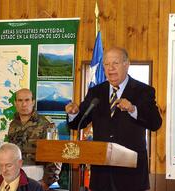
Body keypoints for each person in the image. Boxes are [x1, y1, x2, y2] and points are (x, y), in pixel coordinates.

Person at [65, 47, 162, 191]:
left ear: (126, 64)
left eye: (115, 63)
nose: (110, 68)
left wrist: (133, 109)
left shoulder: (143, 91)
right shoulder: (96, 91)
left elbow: (155, 123)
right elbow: (79, 123)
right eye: (106, 64)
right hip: (101, 175)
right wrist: (73, 113)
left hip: (131, 175)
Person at [7, 88, 61, 191]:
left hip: (39, 176)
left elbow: (55, 156)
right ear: (15, 103)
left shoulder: (46, 124)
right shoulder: (13, 125)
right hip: (16, 177)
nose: (24, 104)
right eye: (20, 100)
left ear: (33, 102)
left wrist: (46, 182)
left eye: (27, 100)